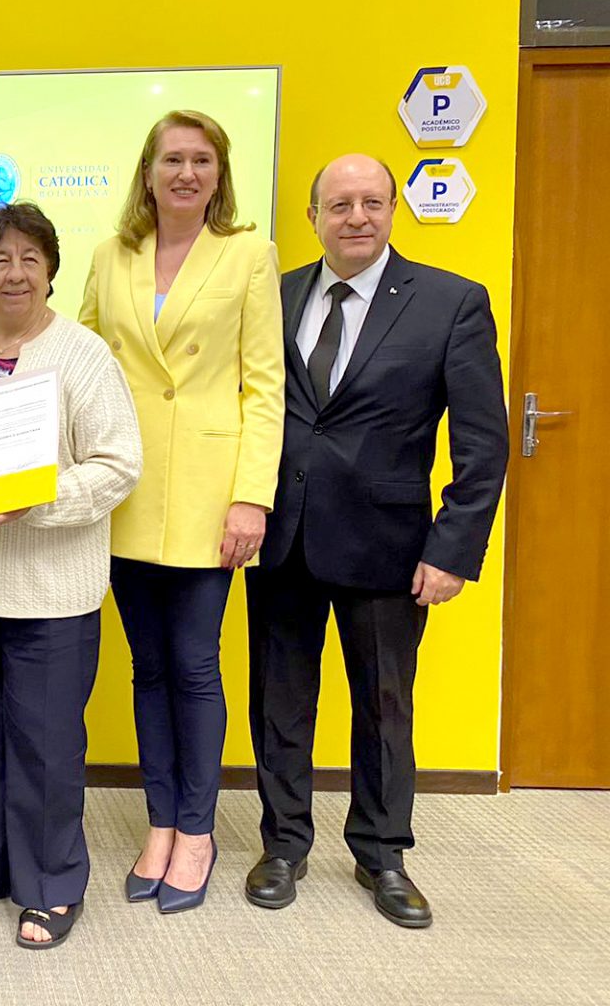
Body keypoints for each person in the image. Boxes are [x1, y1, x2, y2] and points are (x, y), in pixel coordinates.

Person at [243, 154, 508, 928]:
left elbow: (483, 443)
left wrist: (452, 550)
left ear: (393, 209)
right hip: (283, 537)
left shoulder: (451, 302)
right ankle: (283, 845)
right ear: (313, 218)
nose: (356, 217)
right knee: (279, 701)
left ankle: (382, 853)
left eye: (371, 203)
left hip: (390, 546)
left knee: (386, 707)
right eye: (339, 205)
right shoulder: (274, 296)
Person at [0, 202, 141, 949]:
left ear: (50, 272)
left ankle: (52, 886)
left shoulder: (83, 355)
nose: (15, 273)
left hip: (50, 592)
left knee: (46, 747)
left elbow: (118, 467)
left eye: (30, 259)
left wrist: (36, 501)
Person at [78, 110, 285, 913]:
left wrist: (251, 497)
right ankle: (160, 822)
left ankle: (197, 831)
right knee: (149, 667)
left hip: (209, 492)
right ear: (149, 172)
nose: (186, 173)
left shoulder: (249, 253)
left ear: (219, 174)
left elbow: (264, 385)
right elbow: (78, 358)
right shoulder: (112, 254)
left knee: (195, 665)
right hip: (126, 489)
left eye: (202, 160)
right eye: (172, 159)